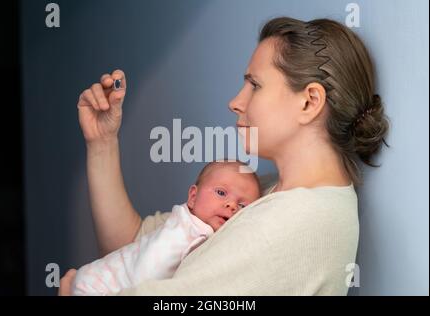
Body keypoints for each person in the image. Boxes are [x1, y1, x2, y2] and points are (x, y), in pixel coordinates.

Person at [60, 17, 389, 296]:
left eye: (254, 85)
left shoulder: (291, 226)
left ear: (309, 102)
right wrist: (102, 143)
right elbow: (135, 251)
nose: (235, 101)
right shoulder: (269, 192)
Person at [71, 161, 261, 296]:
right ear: (193, 197)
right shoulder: (184, 229)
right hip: (96, 285)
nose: (231, 205)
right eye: (221, 193)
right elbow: (145, 277)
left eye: (242, 206)